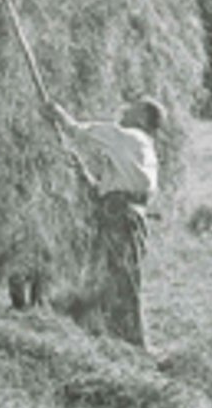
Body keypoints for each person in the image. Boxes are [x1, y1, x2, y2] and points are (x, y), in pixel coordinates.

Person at [45, 95, 164, 351]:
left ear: (142, 118)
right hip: (121, 215)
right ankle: (113, 340)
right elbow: (105, 191)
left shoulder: (130, 137)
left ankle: (134, 345)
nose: (126, 108)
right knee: (113, 280)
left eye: (134, 106)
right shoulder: (139, 148)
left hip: (122, 218)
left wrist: (59, 115)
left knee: (122, 282)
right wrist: (81, 171)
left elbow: (77, 130)